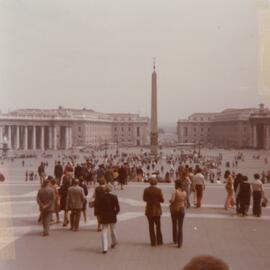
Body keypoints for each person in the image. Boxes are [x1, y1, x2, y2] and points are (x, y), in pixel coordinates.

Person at [97, 187, 120, 254]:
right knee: (113, 230)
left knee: (104, 231)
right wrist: (115, 213)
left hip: (104, 216)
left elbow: (99, 208)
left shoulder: (101, 197)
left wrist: (100, 215)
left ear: (105, 190)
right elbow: (118, 208)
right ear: (111, 190)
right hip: (112, 215)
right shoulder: (114, 197)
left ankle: (105, 248)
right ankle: (114, 241)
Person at [143, 176, 164, 246]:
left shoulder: (146, 190)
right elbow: (162, 200)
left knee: (151, 226)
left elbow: (144, 199)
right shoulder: (159, 190)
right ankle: (159, 241)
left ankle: (153, 241)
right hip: (157, 209)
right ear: (156, 182)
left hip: (149, 209)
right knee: (158, 226)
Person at [170, 180, 186, 248]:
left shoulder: (175, 192)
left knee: (174, 224)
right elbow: (184, 201)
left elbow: (172, 200)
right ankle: (180, 242)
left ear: (177, 185)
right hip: (182, 209)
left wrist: (170, 201)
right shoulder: (184, 192)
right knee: (180, 226)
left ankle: (175, 239)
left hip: (175, 209)